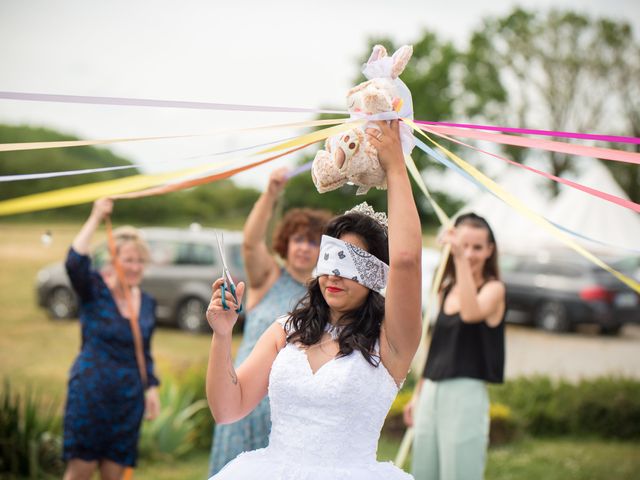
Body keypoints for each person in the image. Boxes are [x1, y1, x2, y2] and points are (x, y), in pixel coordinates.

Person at [205, 118, 422, 479]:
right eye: (330, 261)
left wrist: (395, 165)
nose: (334, 275)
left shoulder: (392, 340)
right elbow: (228, 410)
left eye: (351, 265)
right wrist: (222, 334)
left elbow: (406, 259)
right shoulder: (284, 331)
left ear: (375, 276)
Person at [209, 168, 331, 475]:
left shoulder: (326, 298)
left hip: (286, 411)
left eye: (313, 242)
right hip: (244, 397)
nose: (304, 247)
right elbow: (250, 243)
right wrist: (271, 194)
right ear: (286, 242)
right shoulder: (268, 278)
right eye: (299, 239)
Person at [62, 198, 160, 480]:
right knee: (79, 472)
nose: (135, 266)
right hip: (90, 396)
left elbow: (146, 351)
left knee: (114, 475)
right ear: (114, 259)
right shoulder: (94, 290)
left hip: (128, 401)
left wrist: (150, 388)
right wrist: (95, 216)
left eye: (141, 261)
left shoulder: (148, 303)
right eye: (129, 259)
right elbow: (74, 261)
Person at [403, 213, 506, 480]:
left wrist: (459, 257)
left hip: (465, 393)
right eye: (464, 246)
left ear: (489, 251)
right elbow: (436, 347)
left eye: (477, 247)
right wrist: (418, 395)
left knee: (459, 472)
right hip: (432, 390)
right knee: (424, 470)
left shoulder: (494, 289)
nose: (469, 254)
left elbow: (471, 314)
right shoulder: (444, 289)